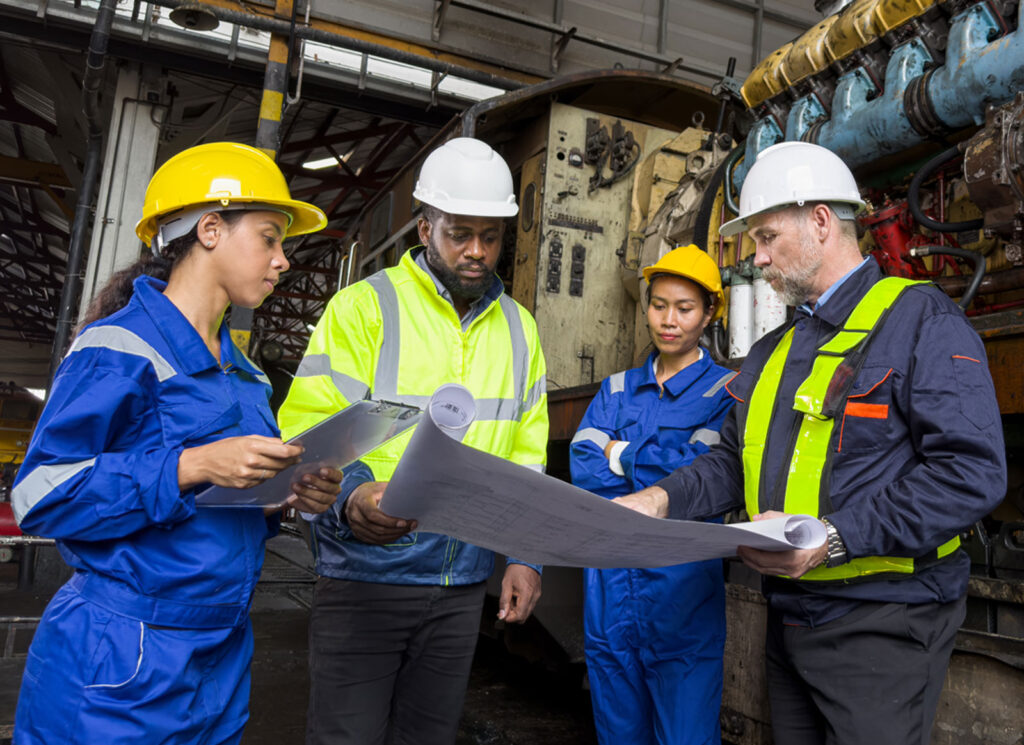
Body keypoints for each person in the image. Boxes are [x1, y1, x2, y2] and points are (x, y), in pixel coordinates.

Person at [614, 141, 1006, 745]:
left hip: (884, 622)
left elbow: (970, 474)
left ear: (821, 221)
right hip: (791, 617)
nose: (758, 259)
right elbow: (728, 461)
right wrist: (659, 500)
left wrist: (834, 538)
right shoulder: (774, 351)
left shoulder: (921, 319)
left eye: (767, 238)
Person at [11, 142, 343, 745]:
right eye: (270, 238)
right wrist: (191, 464)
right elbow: (39, 493)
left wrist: (283, 497)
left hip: (220, 650)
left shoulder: (246, 375)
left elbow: (225, 504)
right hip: (121, 656)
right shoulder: (118, 347)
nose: (283, 261)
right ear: (210, 229)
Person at [277, 136, 549, 745]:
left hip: (458, 588)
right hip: (364, 580)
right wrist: (351, 499)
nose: (477, 252)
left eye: (492, 236)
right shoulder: (363, 310)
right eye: (460, 234)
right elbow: (307, 432)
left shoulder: (521, 330)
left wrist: (526, 557)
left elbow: (527, 457)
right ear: (424, 229)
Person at [569, 244, 734, 745]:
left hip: (681, 604)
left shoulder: (726, 392)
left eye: (684, 309)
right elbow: (582, 463)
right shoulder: (616, 388)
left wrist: (620, 454)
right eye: (659, 305)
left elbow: (702, 475)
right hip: (609, 599)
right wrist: (658, 464)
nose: (669, 320)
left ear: (709, 314)